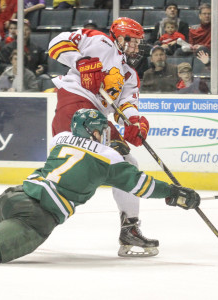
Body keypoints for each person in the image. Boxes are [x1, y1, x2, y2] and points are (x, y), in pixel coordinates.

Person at [0, 108, 201, 268]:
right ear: (89, 131)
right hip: (36, 215)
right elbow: (141, 184)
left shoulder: (60, 140)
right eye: (99, 131)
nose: (104, 136)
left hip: (13, 197)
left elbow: (84, 154)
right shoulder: (107, 158)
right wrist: (176, 194)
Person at [48, 17, 160, 257]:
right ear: (119, 37)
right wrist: (81, 62)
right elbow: (56, 43)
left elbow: (126, 105)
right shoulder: (99, 42)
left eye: (139, 43)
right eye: (132, 41)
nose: (136, 47)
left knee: (127, 164)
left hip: (97, 117)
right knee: (71, 175)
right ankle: (29, 208)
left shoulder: (129, 75)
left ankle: (130, 227)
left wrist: (135, 122)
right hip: (74, 107)